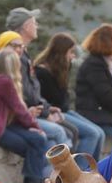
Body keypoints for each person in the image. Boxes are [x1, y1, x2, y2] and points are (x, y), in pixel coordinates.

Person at [6, 8, 73, 159]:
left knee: (67, 134)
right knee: (62, 133)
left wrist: (47, 108)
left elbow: (33, 89)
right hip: (20, 116)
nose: (37, 26)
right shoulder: (15, 54)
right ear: (26, 26)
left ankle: (58, 179)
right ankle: (68, 178)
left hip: (32, 112)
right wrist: (45, 111)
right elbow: (24, 92)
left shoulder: (24, 53)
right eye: (34, 23)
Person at [0, 47, 52, 183]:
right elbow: (20, 109)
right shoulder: (5, 82)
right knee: (38, 142)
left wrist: (31, 128)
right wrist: (36, 126)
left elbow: (15, 111)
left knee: (37, 141)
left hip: (0, 125)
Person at [33, 32, 107, 157]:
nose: (72, 56)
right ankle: (78, 173)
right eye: (70, 52)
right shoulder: (42, 72)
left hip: (65, 111)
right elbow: (58, 100)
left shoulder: (59, 70)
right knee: (91, 134)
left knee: (100, 133)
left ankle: (92, 172)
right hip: (54, 112)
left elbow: (66, 99)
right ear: (61, 52)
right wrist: (64, 71)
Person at [75, 23, 112, 145]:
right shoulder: (94, 65)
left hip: (103, 112)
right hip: (93, 113)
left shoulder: (106, 64)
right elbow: (106, 95)